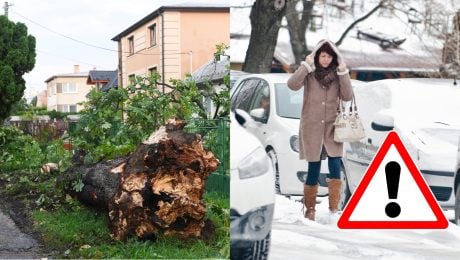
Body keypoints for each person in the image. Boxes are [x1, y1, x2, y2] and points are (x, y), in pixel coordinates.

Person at [287, 39, 353, 221]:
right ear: (317, 56)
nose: (325, 59)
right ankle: (309, 209)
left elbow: (347, 96)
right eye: (322, 55)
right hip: (312, 126)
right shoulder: (310, 73)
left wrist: (343, 71)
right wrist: (305, 66)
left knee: (334, 164)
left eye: (329, 56)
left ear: (334, 58)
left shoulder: (338, 75)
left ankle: (334, 208)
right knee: (314, 167)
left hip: (333, 126)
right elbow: (292, 85)